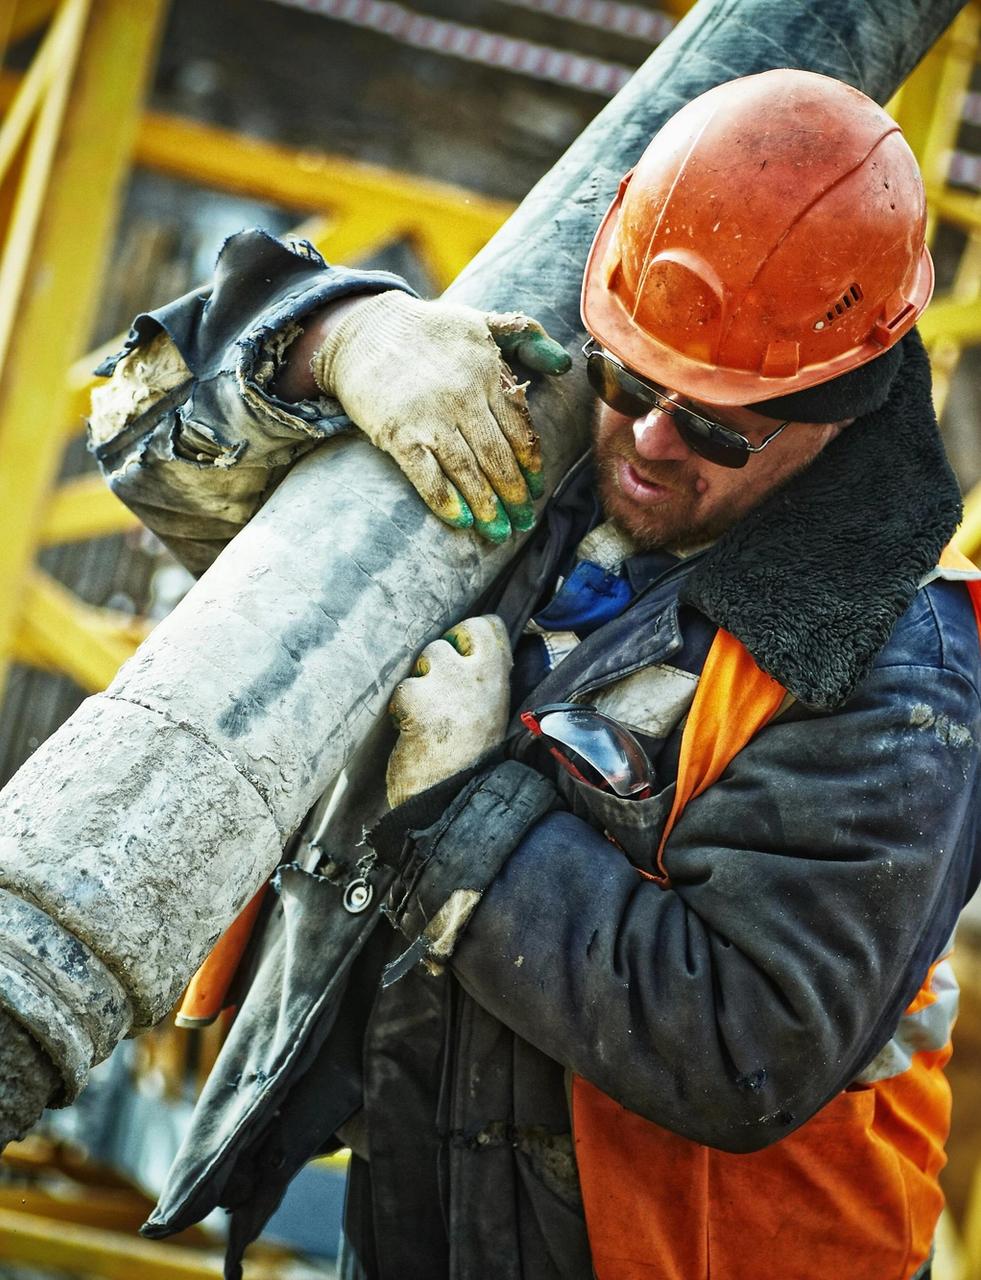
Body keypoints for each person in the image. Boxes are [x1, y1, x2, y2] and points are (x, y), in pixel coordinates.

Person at [83, 69, 979, 1280]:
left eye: (716, 424)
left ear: (841, 411)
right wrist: (331, 342)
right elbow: (140, 434)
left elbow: (743, 1041)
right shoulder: (550, 446)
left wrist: (464, 814)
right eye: (631, 383)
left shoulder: (898, 679)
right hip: (431, 1211)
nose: (652, 443)